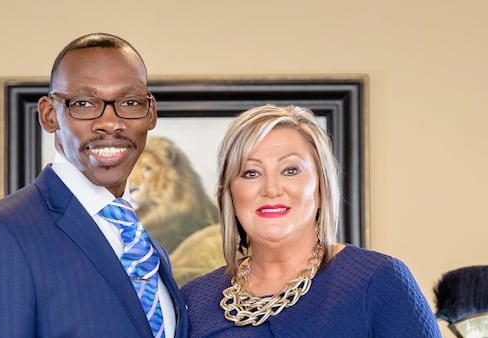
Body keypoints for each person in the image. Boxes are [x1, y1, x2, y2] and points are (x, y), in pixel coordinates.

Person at [0, 33, 187, 337]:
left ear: (151, 113)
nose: (110, 122)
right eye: (83, 103)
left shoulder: (148, 251)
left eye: (130, 102)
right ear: (49, 115)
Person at [180, 104, 441, 337]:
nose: (271, 189)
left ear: (321, 185)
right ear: (230, 193)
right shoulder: (195, 299)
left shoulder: (378, 280)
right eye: (251, 173)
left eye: (290, 170)